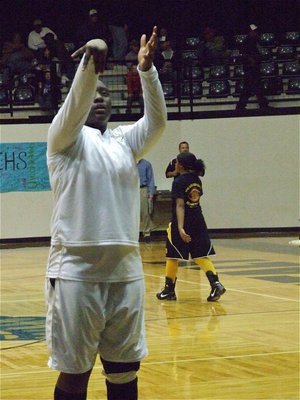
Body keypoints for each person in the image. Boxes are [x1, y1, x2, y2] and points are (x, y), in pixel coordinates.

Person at [45, 26, 167, 400]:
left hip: (125, 273)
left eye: (105, 94)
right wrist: (91, 61)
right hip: (76, 274)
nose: (98, 98)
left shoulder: (123, 143)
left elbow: (158, 123)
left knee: (125, 375)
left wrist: (147, 71)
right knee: (74, 377)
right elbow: (78, 97)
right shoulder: (63, 139)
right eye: (92, 93)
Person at [157, 152, 226, 302]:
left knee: (172, 255)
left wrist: (180, 228)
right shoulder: (197, 180)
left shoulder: (179, 182)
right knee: (200, 255)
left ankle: (169, 290)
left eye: (176, 162)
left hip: (183, 221)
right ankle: (216, 283)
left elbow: (180, 205)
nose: (174, 164)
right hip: (198, 220)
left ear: (180, 165)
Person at [236, 24, 270, 111]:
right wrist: (251, 60)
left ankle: (241, 105)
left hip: (253, 68)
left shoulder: (253, 41)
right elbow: (245, 54)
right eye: (254, 31)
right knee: (253, 86)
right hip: (251, 68)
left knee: (251, 87)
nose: (256, 33)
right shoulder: (248, 41)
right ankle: (261, 104)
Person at [137, 158, 156, 242]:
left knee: (144, 212)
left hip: (142, 189)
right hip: (130, 189)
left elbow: (150, 179)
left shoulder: (146, 164)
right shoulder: (127, 162)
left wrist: (151, 192)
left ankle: (147, 233)